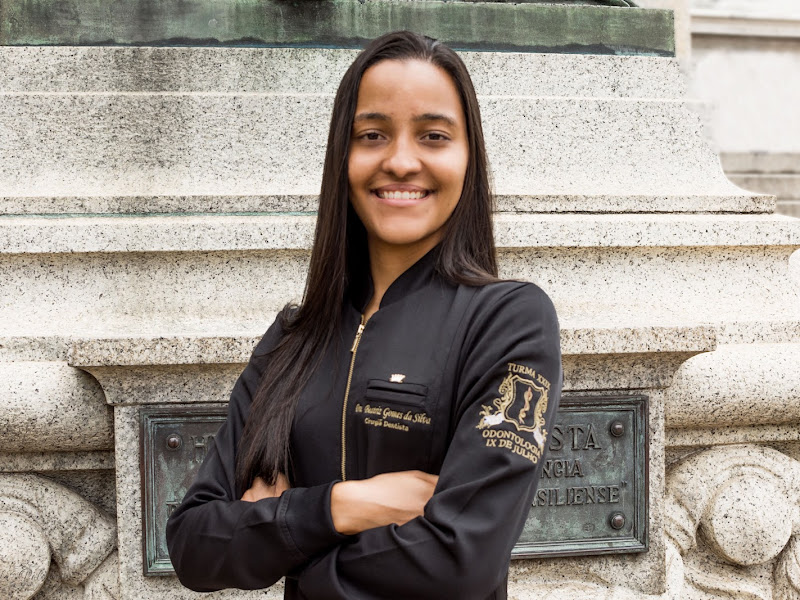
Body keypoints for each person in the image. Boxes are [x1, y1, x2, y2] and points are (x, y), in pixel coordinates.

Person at [166, 30, 562, 600]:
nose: (400, 161)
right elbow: (194, 546)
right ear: (342, 156)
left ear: (468, 158)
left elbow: (461, 561)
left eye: (433, 136)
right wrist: (342, 506)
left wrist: (288, 548)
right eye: (372, 135)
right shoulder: (292, 339)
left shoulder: (508, 322)